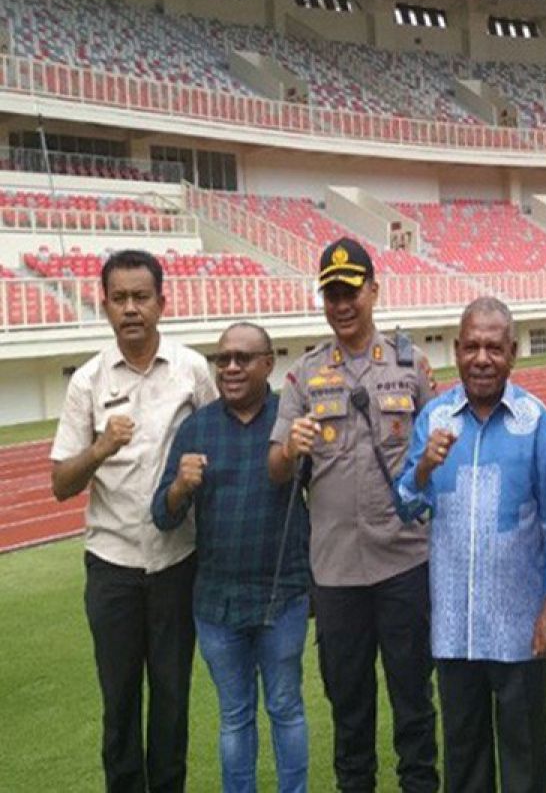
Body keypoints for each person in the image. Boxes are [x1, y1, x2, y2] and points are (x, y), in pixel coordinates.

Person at [268, 237, 438, 793]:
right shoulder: (303, 375)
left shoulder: (412, 367)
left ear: (374, 290)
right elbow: (275, 469)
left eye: (350, 291)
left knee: (413, 699)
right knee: (349, 707)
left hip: (405, 562)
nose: (341, 304)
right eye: (331, 293)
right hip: (337, 572)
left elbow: (436, 458)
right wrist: (288, 448)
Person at [49, 249, 217, 792]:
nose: (131, 309)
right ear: (104, 306)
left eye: (141, 297)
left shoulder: (193, 370)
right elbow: (61, 484)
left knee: (171, 703)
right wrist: (100, 447)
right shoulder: (88, 383)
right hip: (112, 569)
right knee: (119, 704)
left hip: (177, 565)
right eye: (119, 298)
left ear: (162, 303)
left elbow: (219, 444)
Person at [395, 297, 546, 793]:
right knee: (465, 764)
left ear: (512, 352)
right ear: (456, 350)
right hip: (455, 628)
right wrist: (425, 466)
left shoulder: (536, 421)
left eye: (494, 347)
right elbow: (405, 505)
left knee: (525, 763)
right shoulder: (433, 419)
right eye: (471, 346)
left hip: (520, 627)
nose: (481, 357)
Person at [152, 322, 310, 793]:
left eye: (243, 358)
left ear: (269, 364)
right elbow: (161, 515)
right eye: (223, 359)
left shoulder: (292, 420)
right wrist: (180, 485)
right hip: (216, 605)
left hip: (283, 598)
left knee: (286, 708)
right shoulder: (196, 428)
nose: (232, 367)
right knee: (235, 717)